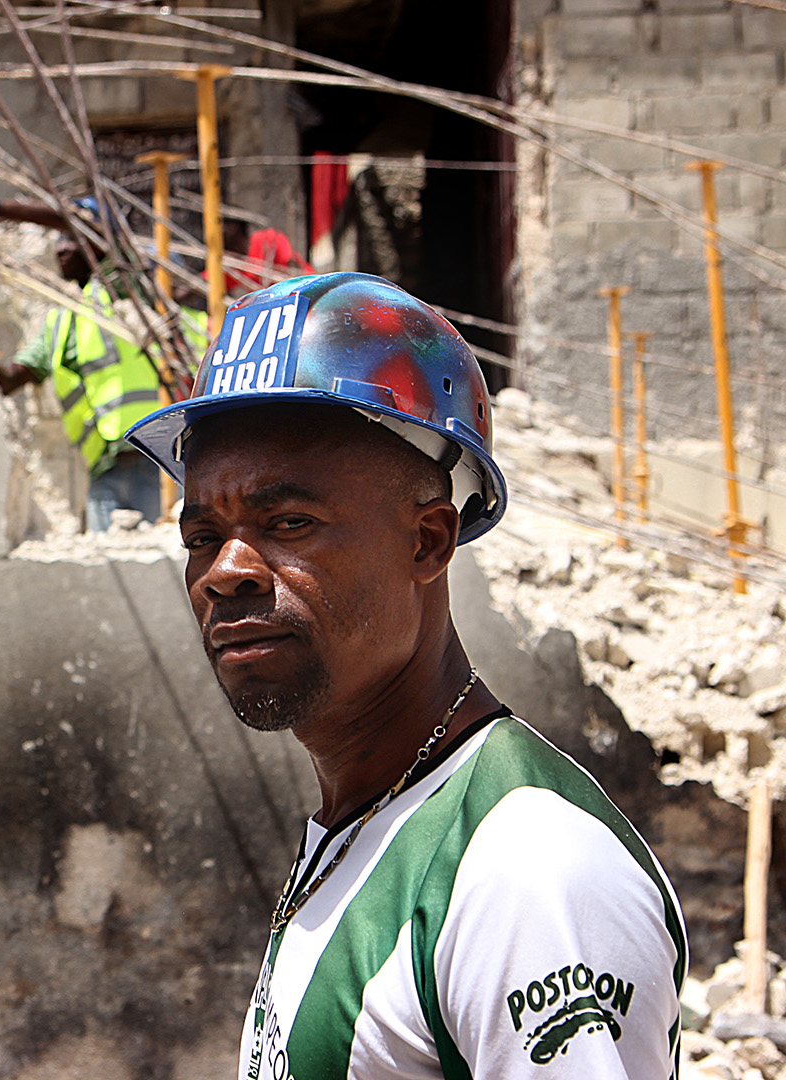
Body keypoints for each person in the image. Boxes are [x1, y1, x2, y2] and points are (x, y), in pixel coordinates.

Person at [125, 272, 685, 1078]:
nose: (226, 570)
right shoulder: (366, 818)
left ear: (428, 542)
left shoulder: (527, 872)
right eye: (202, 535)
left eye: (289, 523)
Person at [0, 196, 175, 530]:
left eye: (69, 240)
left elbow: (78, 222)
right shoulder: (60, 322)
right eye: (58, 241)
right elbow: (12, 378)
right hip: (101, 471)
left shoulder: (123, 287)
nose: (61, 249)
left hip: (153, 462)